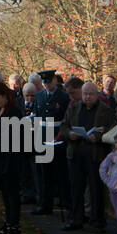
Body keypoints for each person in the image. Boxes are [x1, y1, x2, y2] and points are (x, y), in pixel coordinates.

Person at [61, 81, 115, 231]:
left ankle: (97, 220)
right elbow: (64, 126)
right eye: (85, 94)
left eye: (91, 94)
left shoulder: (105, 110)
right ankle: (77, 219)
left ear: (97, 94)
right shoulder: (74, 108)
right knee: (76, 188)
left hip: (95, 155)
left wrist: (98, 137)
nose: (87, 97)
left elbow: (111, 130)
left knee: (96, 189)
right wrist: (69, 134)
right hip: (76, 153)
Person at [0, 80, 31, 234]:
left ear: (6, 96)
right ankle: (8, 222)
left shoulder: (14, 112)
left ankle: (14, 224)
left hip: (10, 158)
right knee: (5, 193)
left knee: (12, 193)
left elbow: (15, 136)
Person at [30, 70, 71, 216]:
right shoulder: (40, 96)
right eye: (44, 82)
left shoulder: (63, 97)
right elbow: (36, 116)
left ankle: (66, 203)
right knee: (44, 175)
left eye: (49, 81)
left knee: (61, 174)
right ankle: (44, 204)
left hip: (56, 138)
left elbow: (66, 119)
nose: (47, 85)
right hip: (42, 137)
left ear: (55, 80)